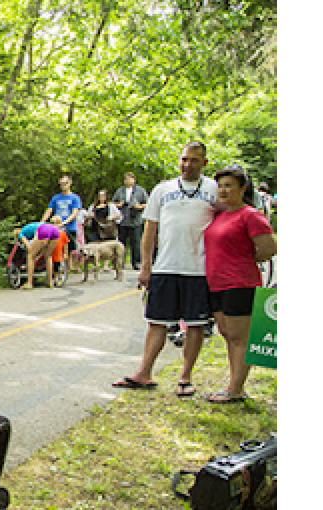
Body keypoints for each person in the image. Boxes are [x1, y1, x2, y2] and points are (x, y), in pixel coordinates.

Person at [113, 141, 219, 397]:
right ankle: (144, 372)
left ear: (204, 163)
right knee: (156, 322)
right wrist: (146, 266)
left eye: (194, 160)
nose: (188, 165)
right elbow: (149, 230)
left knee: (194, 325)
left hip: (199, 268)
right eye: (184, 159)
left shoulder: (214, 190)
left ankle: (185, 377)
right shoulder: (163, 190)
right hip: (166, 266)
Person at [203, 165, 276, 403]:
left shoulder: (251, 215)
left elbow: (268, 248)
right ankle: (234, 385)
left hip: (240, 282)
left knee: (239, 337)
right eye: (220, 186)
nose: (223, 191)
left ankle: (235, 389)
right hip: (217, 283)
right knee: (227, 334)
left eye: (229, 186)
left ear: (242, 188)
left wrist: (243, 260)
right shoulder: (221, 215)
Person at [41, 175, 82, 264]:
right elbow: (49, 210)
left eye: (65, 183)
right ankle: (57, 266)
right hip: (56, 226)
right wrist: (42, 222)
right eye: (61, 184)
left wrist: (65, 222)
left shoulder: (75, 197)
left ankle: (69, 267)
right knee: (55, 245)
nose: (63, 186)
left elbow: (75, 213)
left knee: (69, 248)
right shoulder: (56, 198)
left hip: (69, 227)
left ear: (70, 184)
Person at [112, 172, 149, 269]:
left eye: (129, 179)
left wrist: (139, 206)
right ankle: (120, 262)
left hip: (136, 220)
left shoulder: (140, 190)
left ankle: (136, 262)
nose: (127, 181)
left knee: (136, 242)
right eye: (126, 179)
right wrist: (119, 205)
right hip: (123, 220)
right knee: (121, 242)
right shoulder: (120, 191)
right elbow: (113, 203)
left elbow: (147, 203)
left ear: (134, 179)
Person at [16, 217, 64, 290]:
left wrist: (30, 259)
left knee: (30, 256)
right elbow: (43, 247)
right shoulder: (29, 228)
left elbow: (29, 247)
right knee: (48, 256)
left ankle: (29, 283)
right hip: (55, 230)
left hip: (43, 229)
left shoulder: (21, 234)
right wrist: (38, 255)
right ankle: (50, 282)